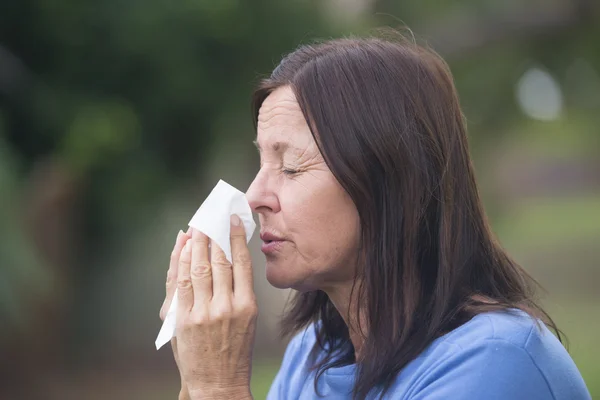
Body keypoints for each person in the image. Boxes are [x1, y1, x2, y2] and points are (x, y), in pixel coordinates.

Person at [159, 32, 591, 400]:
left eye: (290, 167)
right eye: (261, 164)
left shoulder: (497, 362)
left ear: (387, 178)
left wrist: (220, 386)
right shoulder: (309, 359)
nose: (255, 196)